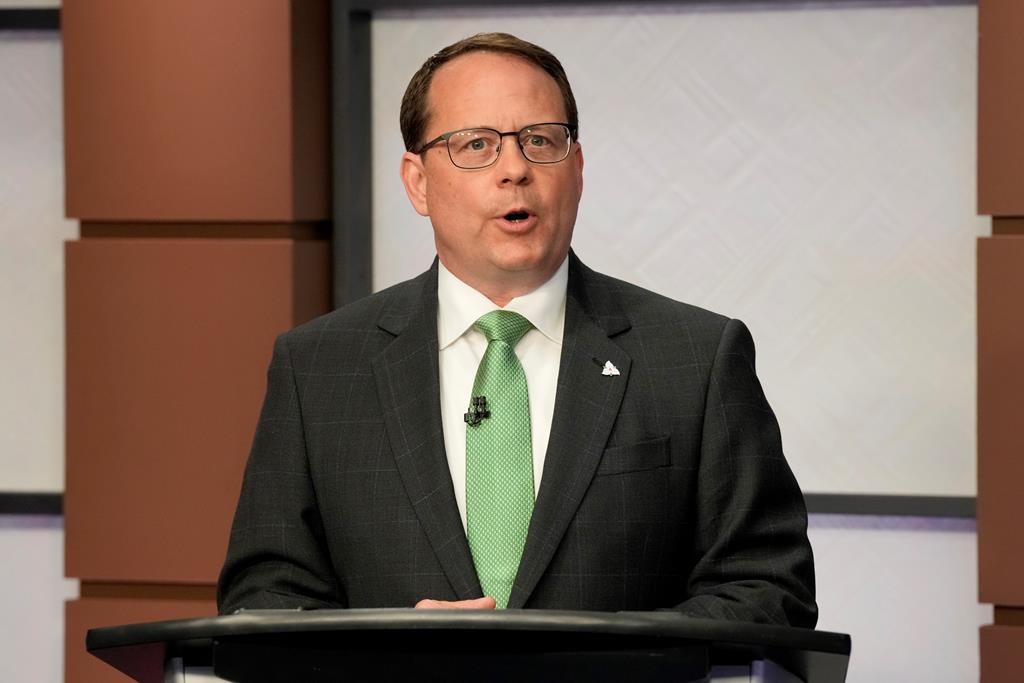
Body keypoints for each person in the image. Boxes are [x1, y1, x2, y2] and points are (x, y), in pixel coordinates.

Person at [217, 32, 816, 627]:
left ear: (576, 170)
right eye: (476, 144)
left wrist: (604, 663)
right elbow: (265, 596)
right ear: (417, 182)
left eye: (540, 141)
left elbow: (767, 589)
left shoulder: (696, 357)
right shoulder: (319, 366)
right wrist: (384, 650)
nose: (515, 169)